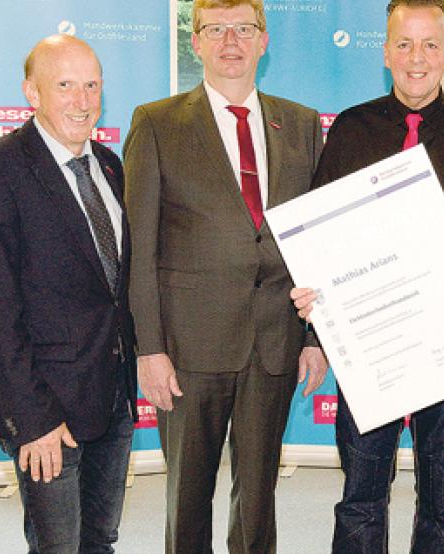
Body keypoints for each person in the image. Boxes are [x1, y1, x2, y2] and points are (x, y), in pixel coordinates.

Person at [290, 1, 444, 551]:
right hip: (370, 344)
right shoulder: (351, 130)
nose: (416, 58)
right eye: (404, 44)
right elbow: (318, 243)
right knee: (360, 497)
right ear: (385, 52)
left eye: (429, 45)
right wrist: (315, 328)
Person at [122, 0, 327, 552]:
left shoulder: (304, 124)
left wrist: (314, 337)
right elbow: (138, 249)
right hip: (188, 348)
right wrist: (149, 349)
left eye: (243, 29)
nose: (230, 42)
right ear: (196, 43)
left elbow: (317, 243)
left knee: (258, 498)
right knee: (188, 500)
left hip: (275, 343)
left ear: (264, 40)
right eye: (215, 29)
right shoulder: (157, 122)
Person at [0, 34, 137, 553]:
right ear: (31, 93)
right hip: (45, 408)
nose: (82, 100)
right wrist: (34, 420)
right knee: (57, 546)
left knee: (100, 540)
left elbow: (113, 290)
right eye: (65, 86)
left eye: (92, 85)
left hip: (112, 400)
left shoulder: (108, 165)